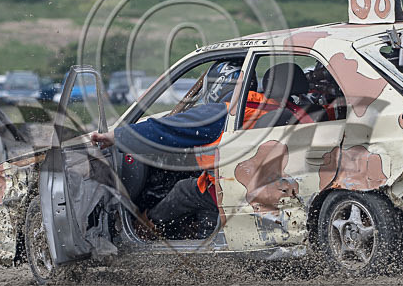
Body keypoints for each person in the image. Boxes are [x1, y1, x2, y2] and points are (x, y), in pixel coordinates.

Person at [90, 61, 306, 239]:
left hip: (228, 191)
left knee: (185, 189)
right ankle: (201, 234)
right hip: (262, 187)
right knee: (197, 190)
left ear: (216, 87)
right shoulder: (273, 107)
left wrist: (116, 136)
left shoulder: (220, 113)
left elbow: (166, 129)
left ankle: (145, 229)